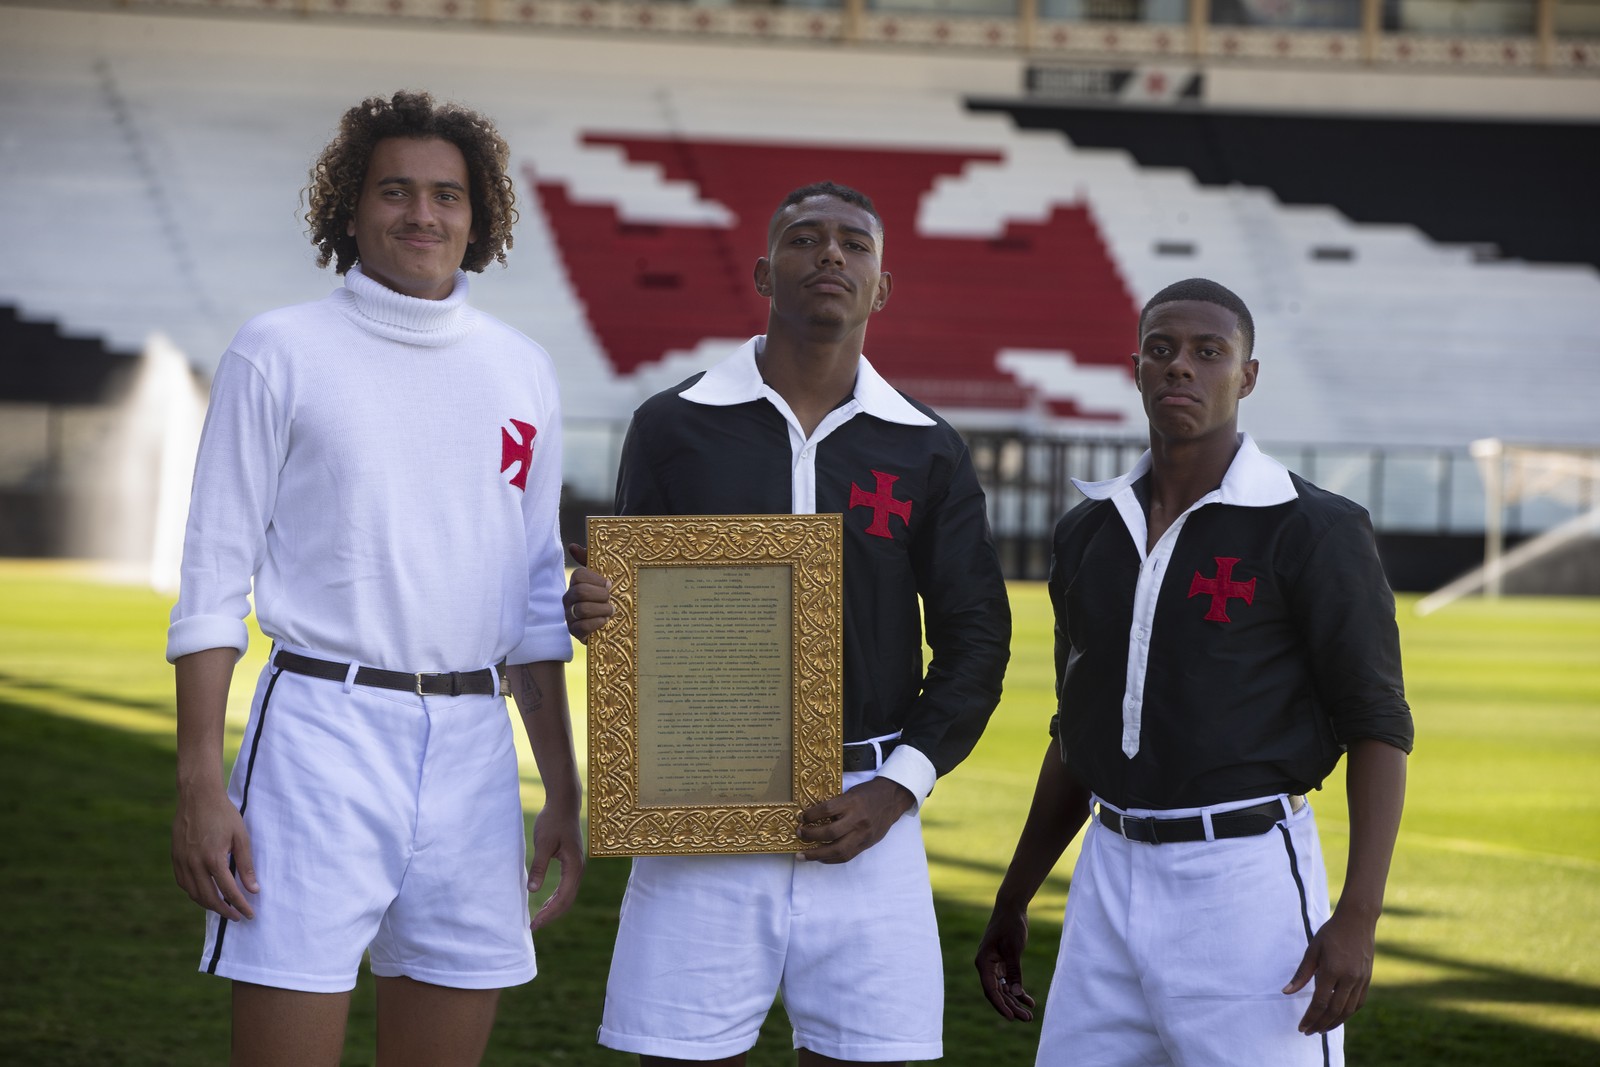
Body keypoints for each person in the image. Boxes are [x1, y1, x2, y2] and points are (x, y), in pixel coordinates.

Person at [167, 90, 584, 1067]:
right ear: (348, 207)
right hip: (319, 735)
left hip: (477, 755)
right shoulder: (279, 351)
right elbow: (211, 578)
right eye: (394, 190)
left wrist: (559, 785)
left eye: (446, 195)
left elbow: (532, 599)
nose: (422, 215)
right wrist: (196, 780)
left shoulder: (522, 370)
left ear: (478, 219)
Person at [563, 180, 1011, 1065]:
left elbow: (976, 637)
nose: (832, 255)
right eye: (807, 239)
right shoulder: (672, 425)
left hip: (868, 815)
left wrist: (899, 788)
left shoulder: (926, 445)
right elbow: (634, 615)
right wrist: (594, 610)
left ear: (882, 286)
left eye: (855, 242)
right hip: (702, 814)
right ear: (767, 272)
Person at [974, 278, 1413, 1067]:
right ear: (1136, 368)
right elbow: (1077, 731)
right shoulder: (1086, 532)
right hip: (1106, 877)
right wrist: (1015, 893)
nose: (1182, 367)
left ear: (1246, 376)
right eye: (1162, 349)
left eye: (1209, 353)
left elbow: (1378, 722)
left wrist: (1359, 913)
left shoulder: (1315, 528)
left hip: (1244, 882)